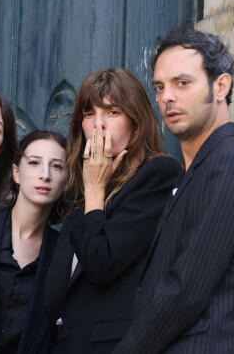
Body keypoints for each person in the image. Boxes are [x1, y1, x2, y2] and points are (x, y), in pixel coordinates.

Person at [112, 28, 234, 354]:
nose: (167, 96)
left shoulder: (230, 165)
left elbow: (184, 290)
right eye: (160, 87)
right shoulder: (200, 168)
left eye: (182, 83)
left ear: (221, 86)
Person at [44, 68, 182, 353]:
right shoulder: (82, 184)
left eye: (112, 112)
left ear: (136, 121)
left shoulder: (157, 174)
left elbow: (101, 262)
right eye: (88, 114)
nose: (98, 125)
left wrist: (95, 189)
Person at [0, 130, 68, 354]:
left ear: (67, 181)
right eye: (34, 163)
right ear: (16, 173)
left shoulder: (65, 253)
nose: (45, 175)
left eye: (57, 166)